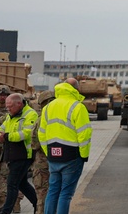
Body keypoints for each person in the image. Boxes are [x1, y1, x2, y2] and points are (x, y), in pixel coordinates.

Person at [39, 79, 92, 214]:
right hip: (72, 155)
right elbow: (84, 135)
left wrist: (49, 152)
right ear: (75, 89)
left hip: (53, 155)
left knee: (53, 191)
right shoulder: (78, 107)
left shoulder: (48, 107)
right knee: (66, 193)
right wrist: (84, 155)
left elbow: (42, 133)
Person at [0, 94, 38, 214]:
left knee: (12, 184)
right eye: (7, 107)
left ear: (19, 104)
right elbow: (3, 127)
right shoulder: (12, 114)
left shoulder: (31, 114)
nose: (8, 109)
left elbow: (27, 133)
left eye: (10, 107)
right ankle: (38, 205)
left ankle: (6, 211)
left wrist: (7, 136)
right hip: (12, 154)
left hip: (23, 154)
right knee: (22, 184)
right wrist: (0, 134)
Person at [30, 91, 55, 214]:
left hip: (42, 161)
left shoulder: (40, 120)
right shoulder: (64, 118)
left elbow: (34, 143)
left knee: (42, 192)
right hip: (60, 161)